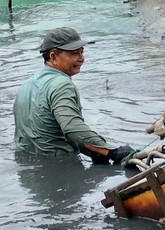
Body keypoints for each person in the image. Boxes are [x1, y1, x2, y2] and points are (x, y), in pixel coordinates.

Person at [14, 26, 135, 163]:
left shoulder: (27, 85)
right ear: (53, 57)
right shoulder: (62, 85)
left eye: (82, 52)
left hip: (26, 168)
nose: (81, 59)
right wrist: (112, 152)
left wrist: (96, 150)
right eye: (74, 54)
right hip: (59, 168)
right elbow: (73, 130)